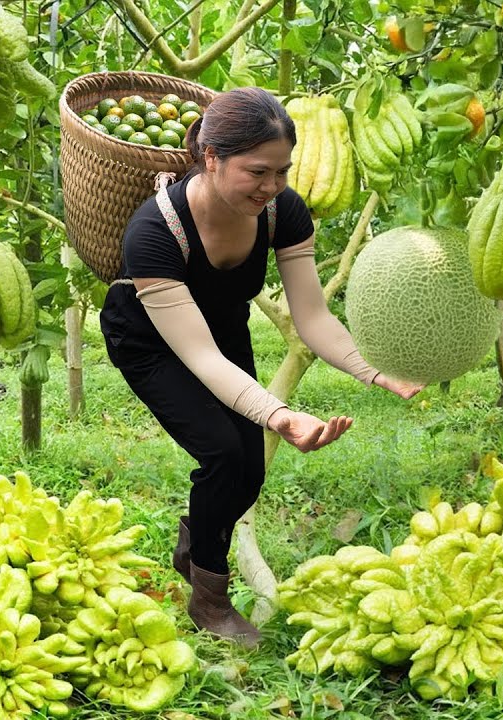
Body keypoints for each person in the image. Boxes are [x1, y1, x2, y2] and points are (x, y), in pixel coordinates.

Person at [99, 87, 423, 647]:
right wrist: (281, 416)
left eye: (282, 171)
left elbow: (314, 317)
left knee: (250, 468)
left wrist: (375, 369)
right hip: (149, 338)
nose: (271, 186)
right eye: (257, 171)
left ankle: (195, 546)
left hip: (221, 326)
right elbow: (197, 356)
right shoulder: (154, 232)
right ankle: (209, 597)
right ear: (211, 157)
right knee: (224, 452)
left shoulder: (282, 213)